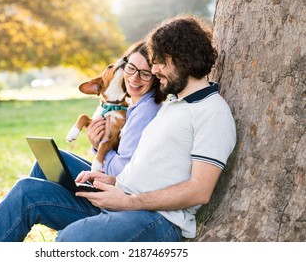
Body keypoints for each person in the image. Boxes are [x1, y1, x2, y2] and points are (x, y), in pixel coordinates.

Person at [55, 14, 237, 241]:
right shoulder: (173, 104)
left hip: (158, 220)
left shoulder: (212, 112)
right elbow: (151, 168)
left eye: (161, 62)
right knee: (28, 193)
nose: (156, 70)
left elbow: (200, 190)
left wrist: (128, 201)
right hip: (123, 199)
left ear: (183, 59)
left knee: (69, 239)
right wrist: (111, 181)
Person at [0, 40, 165, 242]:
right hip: (117, 190)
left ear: (155, 76)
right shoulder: (135, 104)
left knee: (27, 191)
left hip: (117, 204)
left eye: (145, 73)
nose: (134, 78)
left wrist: (98, 147)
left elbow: (117, 174)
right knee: (48, 162)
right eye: (130, 68)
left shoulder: (144, 113)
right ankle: (31, 215)